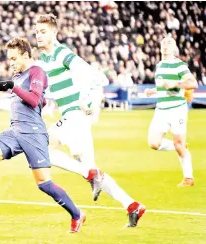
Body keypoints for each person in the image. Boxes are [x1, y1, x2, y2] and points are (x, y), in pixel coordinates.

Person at [35, 14, 145, 227]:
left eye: (43, 31)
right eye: (37, 31)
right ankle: (132, 206)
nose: (38, 35)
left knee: (43, 149)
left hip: (76, 116)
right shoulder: (46, 59)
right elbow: (63, 86)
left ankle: (90, 174)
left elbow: (93, 75)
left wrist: (86, 99)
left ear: (54, 32)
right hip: (71, 116)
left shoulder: (62, 53)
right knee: (90, 168)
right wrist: (52, 105)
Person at [0, 37, 86, 233]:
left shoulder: (37, 71)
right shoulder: (18, 75)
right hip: (14, 131)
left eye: (14, 58)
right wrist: (14, 86)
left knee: (44, 184)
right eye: (9, 59)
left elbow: (35, 100)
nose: (11, 63)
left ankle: (77, 214)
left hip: (33, 134)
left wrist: (13, 87)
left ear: (26, 55)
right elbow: (40, 102)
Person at [144, 35, 198, 187]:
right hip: (161, 109)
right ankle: (179, 146)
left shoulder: (179, 65)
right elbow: (164, 85)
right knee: (153, 143)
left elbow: (192, 83)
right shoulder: (160, 65)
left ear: (174, 48)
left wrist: (176, 83)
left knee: (179, 145)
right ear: (160, 47)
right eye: (164, 43)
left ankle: (189, 178)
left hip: (177, 109)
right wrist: (153, 91)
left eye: (169, 43)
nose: (166, 46)